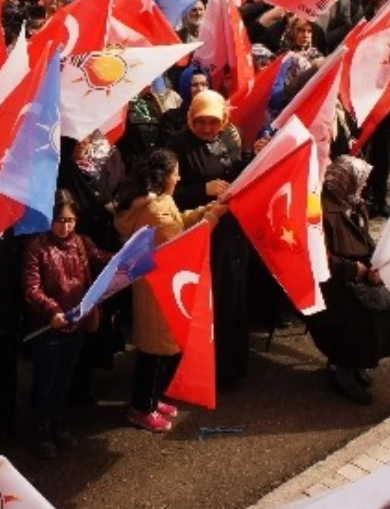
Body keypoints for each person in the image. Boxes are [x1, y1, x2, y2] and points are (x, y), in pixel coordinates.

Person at [112, 150, 227, 432]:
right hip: (158, 288)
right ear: (165, 177)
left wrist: (204, 211)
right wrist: (212, 218)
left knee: (160, 351)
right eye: (176, 173)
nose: (179, 177)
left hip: (159, 283)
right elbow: (181, 242)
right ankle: (141, 407)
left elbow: (179, 221)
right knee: (154, 354)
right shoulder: (155, 209)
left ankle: (151, 400)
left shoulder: (158, 202)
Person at [168, 90, 253, 388]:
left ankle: (232, 364)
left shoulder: (231, 136)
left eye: (213, 122)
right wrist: (203, 190)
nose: (207, 128)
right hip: (199, 232)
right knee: (206, 299)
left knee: (232, 296)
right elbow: (167, 194)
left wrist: (258, 153)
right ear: (190, 118)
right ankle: (204, 366)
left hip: (232, 230)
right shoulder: (177, 145)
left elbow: (238, 169)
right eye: (200, 122)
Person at [22, 189, 109, 459]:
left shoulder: (82, 243)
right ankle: (41, 430)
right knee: (45, 381)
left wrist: (133, 256)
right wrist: (53, 311)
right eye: (60, 220)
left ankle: (58, 423)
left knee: (64, 380)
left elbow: (104, 260)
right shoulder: (37, 246)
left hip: (76, 325)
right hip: (50, 328)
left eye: (70, 220)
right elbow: (31, 288)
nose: (65, 226)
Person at [307, 156, 390, 404]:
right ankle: (342, 369)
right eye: (360, 181)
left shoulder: (355, 203)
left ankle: (360, 361)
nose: (363, 187)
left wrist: (375, 264)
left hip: (357, 272)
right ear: (344, 180)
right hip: (331, 281)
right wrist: (354, 270)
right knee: (358, 316)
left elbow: (365, 239)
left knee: (388, 305)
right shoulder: (320, 209)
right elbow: (318, 256)